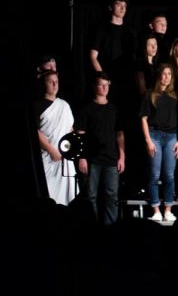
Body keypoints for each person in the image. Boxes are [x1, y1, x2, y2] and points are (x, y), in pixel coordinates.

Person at [76, 73, 124, 225]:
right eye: (101, 85)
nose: (104, 88)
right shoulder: (87, 108)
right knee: (90, 196)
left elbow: (120, 134)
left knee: (112, 196)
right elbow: (80, 135)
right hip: (92, 159)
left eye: (106, 85)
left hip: (111, 158)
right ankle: (93, 227)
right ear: (94, 87)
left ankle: (110, 230)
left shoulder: (114, 109)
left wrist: (122, 156)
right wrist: (82, 157)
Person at [139, 64, 178, 222]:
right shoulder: (150, 94)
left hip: (171, 137)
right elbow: (143, 119)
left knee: (169, 175)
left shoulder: (176, 96)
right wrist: (148, 140)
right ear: (159, 76)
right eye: (163, 74)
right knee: (155, 175)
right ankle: (156, 209)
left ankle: (168, 209)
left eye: (169, 74)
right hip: (155, 135)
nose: (166, 77)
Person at [34, 70, 77, 205]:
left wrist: (69, 149)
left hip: (65, 158)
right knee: (49, 195)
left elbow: (69, 130)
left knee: (65, 199)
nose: (54, 84)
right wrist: (51, 150)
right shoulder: (37, 105)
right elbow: (35, 132)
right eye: (50, 82)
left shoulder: (64, 105)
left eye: (56, 82)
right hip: (47, 157)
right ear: (44, 84)